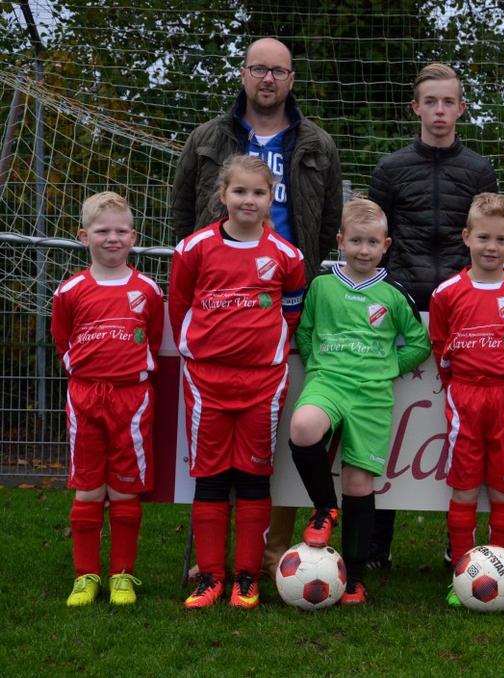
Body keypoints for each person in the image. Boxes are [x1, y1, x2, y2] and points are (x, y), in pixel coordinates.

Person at [169, 37, 343, 579]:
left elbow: (329, 215)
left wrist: (295, 308)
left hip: (284, 309)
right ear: (243, 74)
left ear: (292, 79)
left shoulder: (316, 142)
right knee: (213, 449)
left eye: (278, 71)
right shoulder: (207, 137)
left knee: (268, 441)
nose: (267, 79)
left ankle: (271, 558)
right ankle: (209, 560)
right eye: (257, 69)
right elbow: (181, 214)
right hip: (220, 319)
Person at [367, 62, 498, 570]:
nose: (440, 110)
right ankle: (377, 543)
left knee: (458, 432)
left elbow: (487, 230)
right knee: (388, 423)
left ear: (461, 108)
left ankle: (457, 543)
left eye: (449, 102)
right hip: (401, 307)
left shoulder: (479, 170)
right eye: (431, 102)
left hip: (462, 312)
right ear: (415, 107)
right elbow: (375, 239)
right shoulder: (391, 168)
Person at [169, 155, 306, 609]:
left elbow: (291, 312)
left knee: (252, 476)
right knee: (208, 478)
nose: (249, 200)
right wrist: (199, 348)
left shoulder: (286, 256)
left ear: (271, 199)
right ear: (223, 195)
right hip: (207, 380)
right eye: (240, 191)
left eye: (259, 192)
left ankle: (246, 578)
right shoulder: (194, 249)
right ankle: (210, 577)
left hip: (262, 384)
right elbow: (180, 305)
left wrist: (266, 350)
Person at [287, 198, 431, 604]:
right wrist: (319, 366)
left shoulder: (392, 293)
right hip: (328, 382)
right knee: (302, 428)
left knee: (359, 481)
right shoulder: (321, 285)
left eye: (371, 242)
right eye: (355, 241)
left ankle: (353, 576)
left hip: (371, 395)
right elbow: (306, 330)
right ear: (340, 242)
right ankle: (323, 509)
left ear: (386, 244)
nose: (363, 250)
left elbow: (420, 342)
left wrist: (387, 366)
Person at [52, 192, 163, 607]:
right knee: (88, 487)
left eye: (120, 231)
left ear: (133, 236)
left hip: (131, 397)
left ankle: (121, 574)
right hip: (85, 395)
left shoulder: (147, 290)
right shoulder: (70, 290)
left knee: (124, 489)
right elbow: (63, 341)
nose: (112, 238)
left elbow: (151, 339)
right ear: (84, 236)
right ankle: (86, 576)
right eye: (102, 231)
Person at [429, 193, 504, 606]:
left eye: (500, 239)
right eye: (483, 238)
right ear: (466, 237)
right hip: (465, 396)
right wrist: (460, 382)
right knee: (463, 486)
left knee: (503, 489)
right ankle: (463, 572)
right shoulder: (446, 293)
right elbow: (441, 344)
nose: (491, 248)